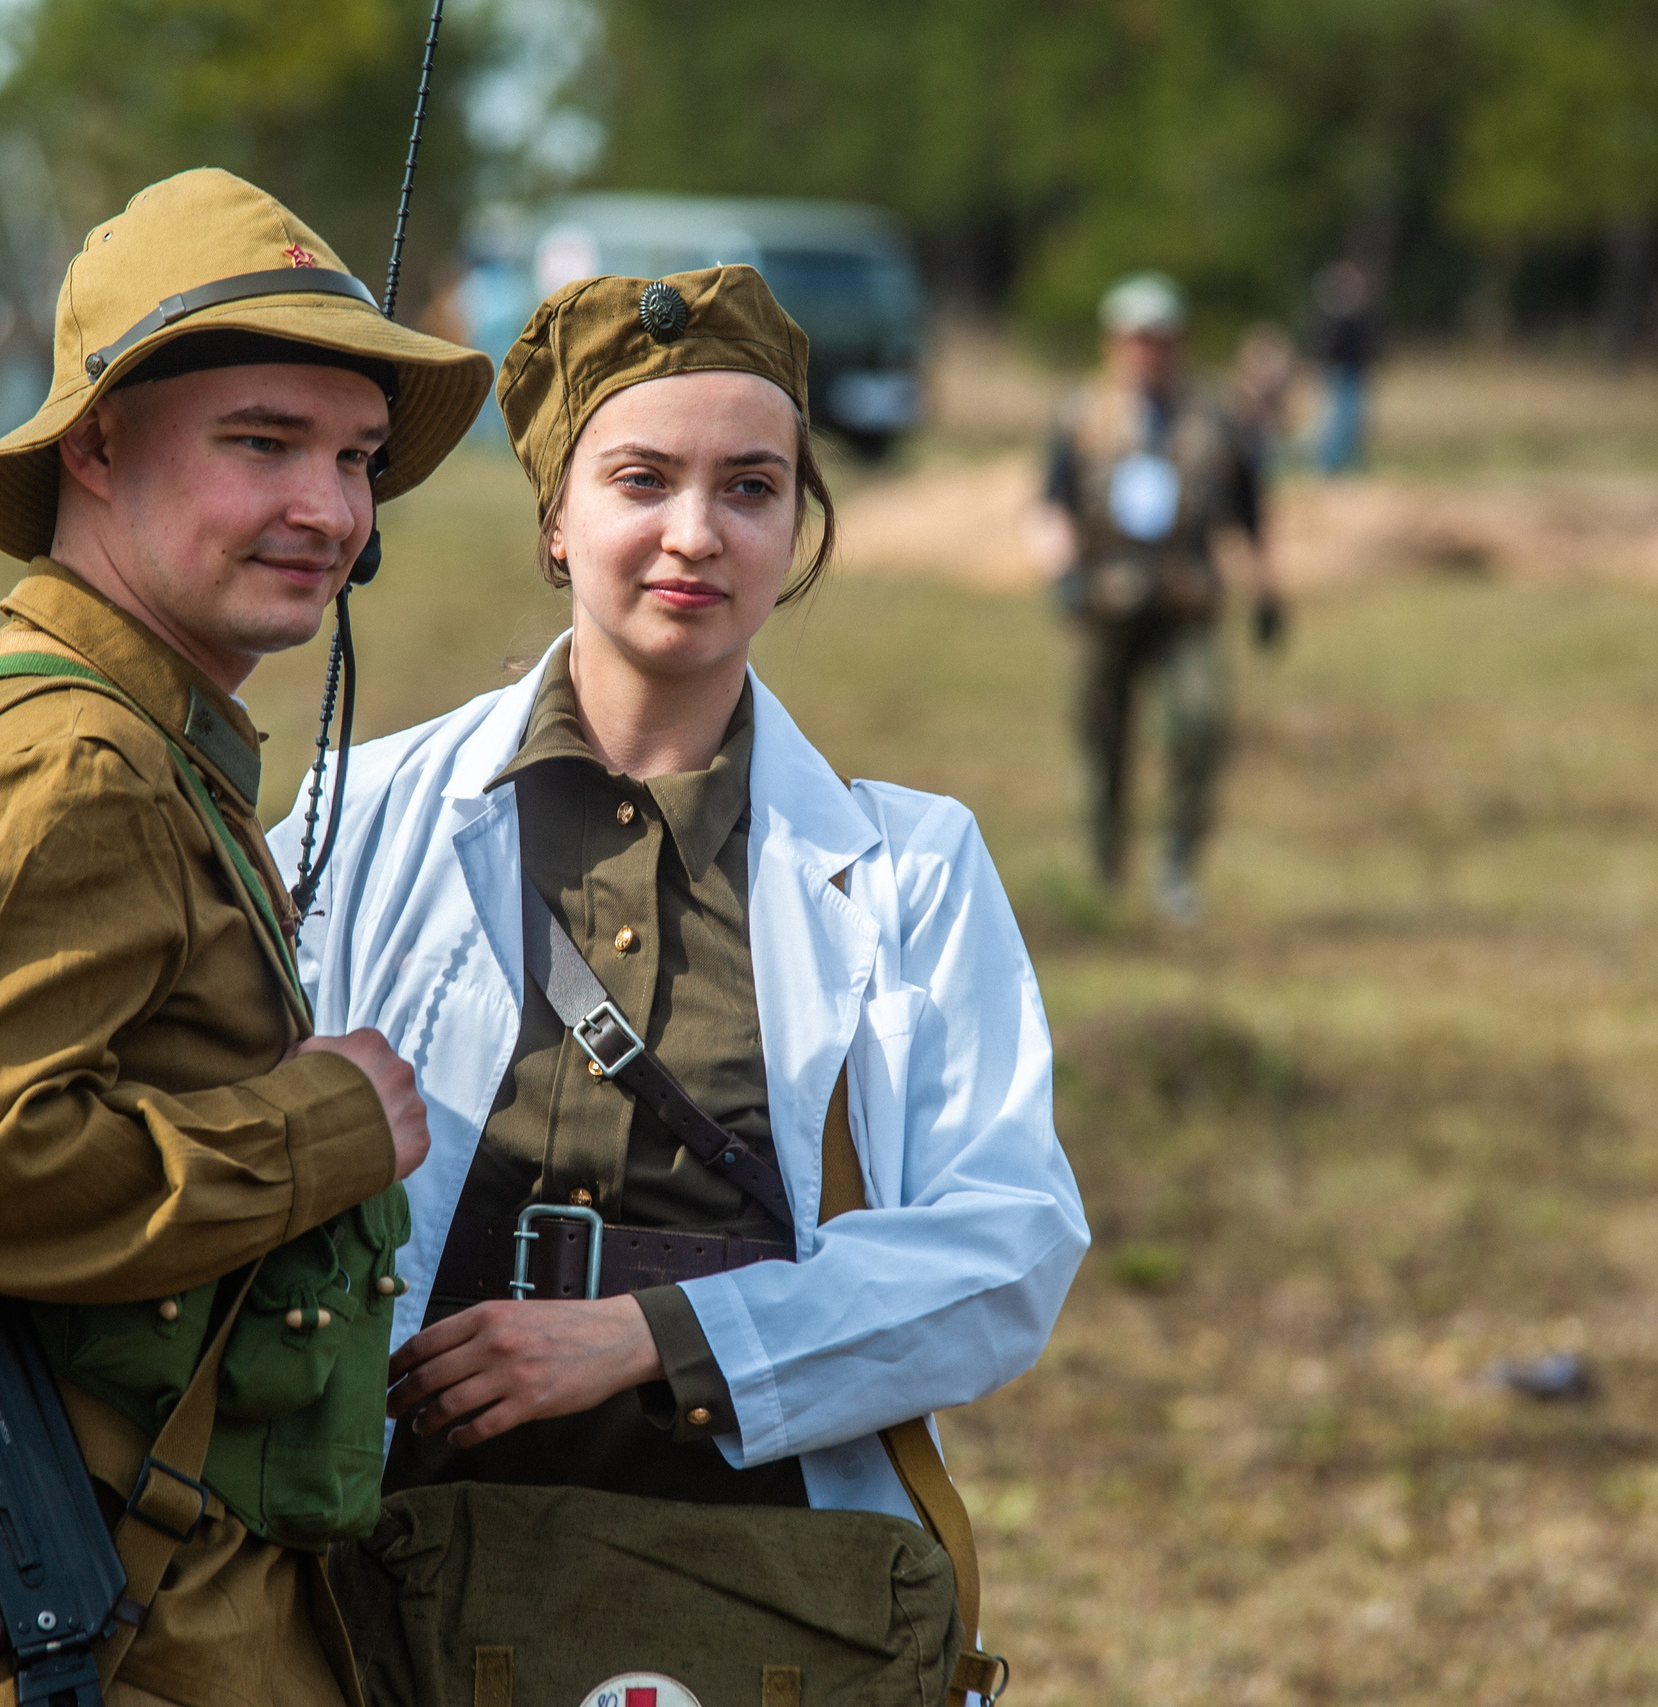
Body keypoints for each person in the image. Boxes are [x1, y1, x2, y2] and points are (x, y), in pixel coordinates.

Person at [0, 166, 492, 1707]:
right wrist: (328, 1121)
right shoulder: (75, 762)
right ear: (96, 443)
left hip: (122, 1602)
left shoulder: (132, 735)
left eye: (353, 457)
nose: (333, 510)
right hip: (36, 1622)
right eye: (262, 445)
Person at [281, 267, 1087, 1701]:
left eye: (753, 486)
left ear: (801, 526)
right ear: (554, 516)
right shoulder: (366, 813)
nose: (696, 535)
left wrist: (654, 1337)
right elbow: (171, 1058)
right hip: (403, 1570)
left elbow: (1009, 1247)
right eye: (641, 478)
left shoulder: (912, 863)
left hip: (779, 1587)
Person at [1036, 270, 1280, 923]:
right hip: (1106, 600)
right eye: (1135, 338)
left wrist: (1266, 589)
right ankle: (1104, 861)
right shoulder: (1083, 414)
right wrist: (1061, 573)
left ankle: (1177, 866)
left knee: (1200, 723)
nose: (1148, 351)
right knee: (1101, 736)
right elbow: (1054, 503)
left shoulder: (1215, 418)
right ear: (1113, 341)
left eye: (1160, 338)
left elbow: (1249, 511)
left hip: (1186, 600)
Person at [1310, 258, 1380, 475]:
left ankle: (1348, 463)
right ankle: (1330, 465)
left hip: (1356, 372)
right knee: (1337, 420)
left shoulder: (1357, 317)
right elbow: (1327, 348)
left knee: (1353, 422)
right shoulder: (1336, 318)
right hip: (1340, 372)